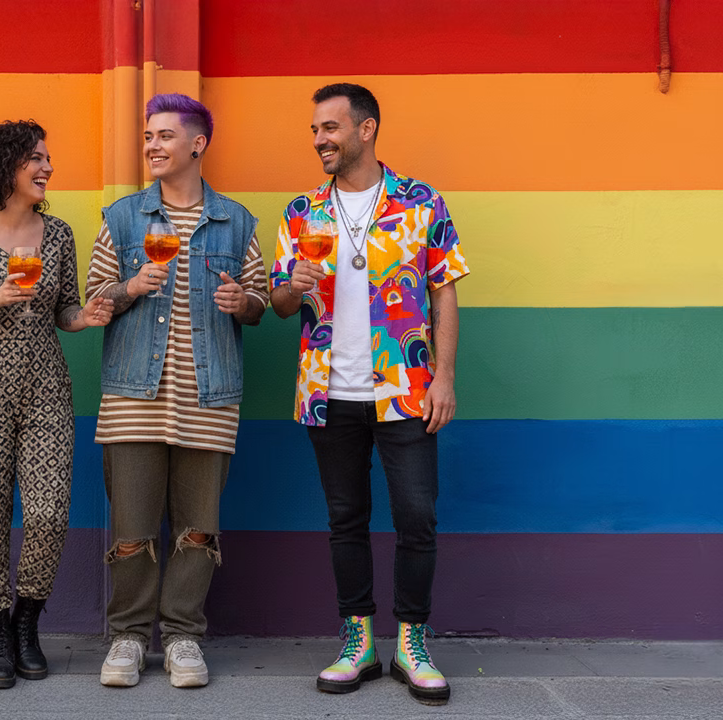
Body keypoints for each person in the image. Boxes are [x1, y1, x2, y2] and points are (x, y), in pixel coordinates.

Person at [269, 84, 470, 706]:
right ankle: (357, 641)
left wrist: (443, 377)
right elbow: (279, 304)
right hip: (327, 391)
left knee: (417, 517)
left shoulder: (420, 201)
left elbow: (444, 291)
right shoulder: (302, 211)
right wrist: (294, 285)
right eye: (314, 130)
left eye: (330, 128)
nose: (319, 140)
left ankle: (412, 644)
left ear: (366, 129)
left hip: (406, 389)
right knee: (345, 520)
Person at [86, 93, 269, 689]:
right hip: (132, 398)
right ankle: (128, 637)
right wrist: (131, 286)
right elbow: (94, 299)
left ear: (198, 144)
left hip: (208, 398)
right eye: (148, 137)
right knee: (132, 527)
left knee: (198, 526)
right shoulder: (122, 219)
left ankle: (184, 635)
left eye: (165, 136)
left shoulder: (237, 222)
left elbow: (260, 301)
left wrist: (244, 302)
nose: (152, 146)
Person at [0, 120, 113, 689]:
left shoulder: (57, 235)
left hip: (46, 390)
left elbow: (65, 311)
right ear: (6, 165)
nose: (47, 167)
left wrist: (87, 317)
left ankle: (27, 622)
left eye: (48, 158)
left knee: (49, 514)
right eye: (36, 158)